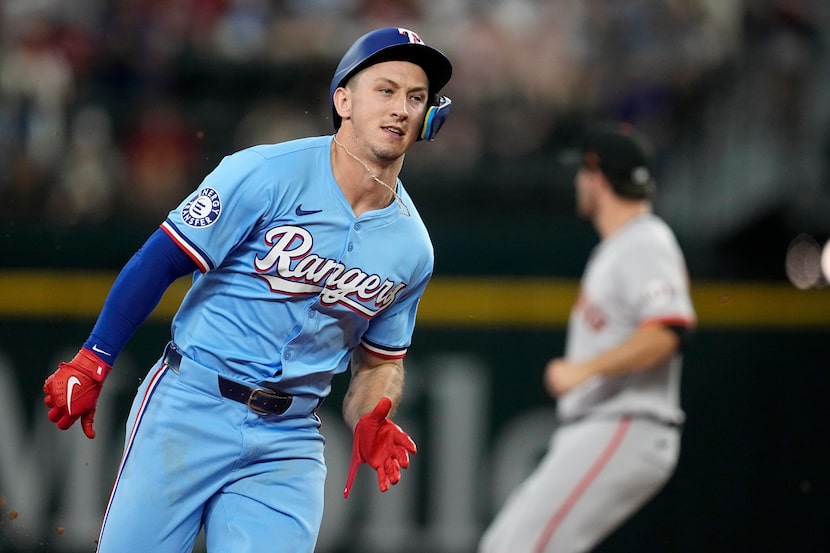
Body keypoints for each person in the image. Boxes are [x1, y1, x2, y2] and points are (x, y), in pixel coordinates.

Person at [41, 26, 453, 553]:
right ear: (343, 100)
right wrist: (94, 359)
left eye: (416, 98)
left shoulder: (412, 246)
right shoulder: (265, 172)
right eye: (386, 89)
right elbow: (161, 259)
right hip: (191, 406)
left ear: (429, 118)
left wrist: (375, 413)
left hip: (288, 439)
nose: (401, 108)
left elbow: (379, 363)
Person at [479, 123, 697, 553]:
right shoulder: (622, 246)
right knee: (503, 544)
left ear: (597, 178)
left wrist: (584, 370)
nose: (578, 182)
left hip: (626, 420)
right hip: (603, 424)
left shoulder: (644, 240)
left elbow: (670, 331)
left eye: (582, 173)